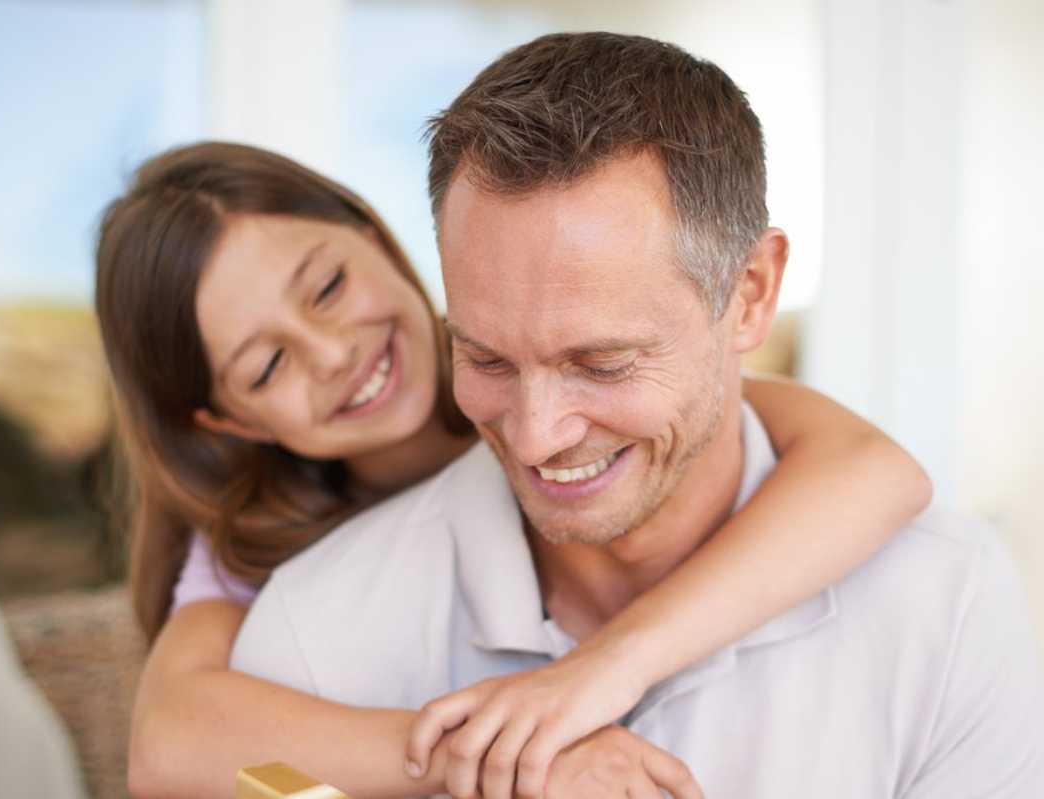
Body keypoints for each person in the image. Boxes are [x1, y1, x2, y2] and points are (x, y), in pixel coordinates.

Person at [230, 31, 1044, 799]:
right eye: (485, 358)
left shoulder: (945, 602)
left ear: (750, 294)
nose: (534, 433)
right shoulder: (314, 638)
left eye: (602, 363)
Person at [97, 141, 929, 799]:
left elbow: (876, 471)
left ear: (372, 232)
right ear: (227, 419)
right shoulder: (253, 545)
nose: (334, 350)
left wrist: (594, 677)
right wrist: (506, 751)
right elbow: (170, 744)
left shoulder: (575, 382)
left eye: (327, 287)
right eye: (268, 365)